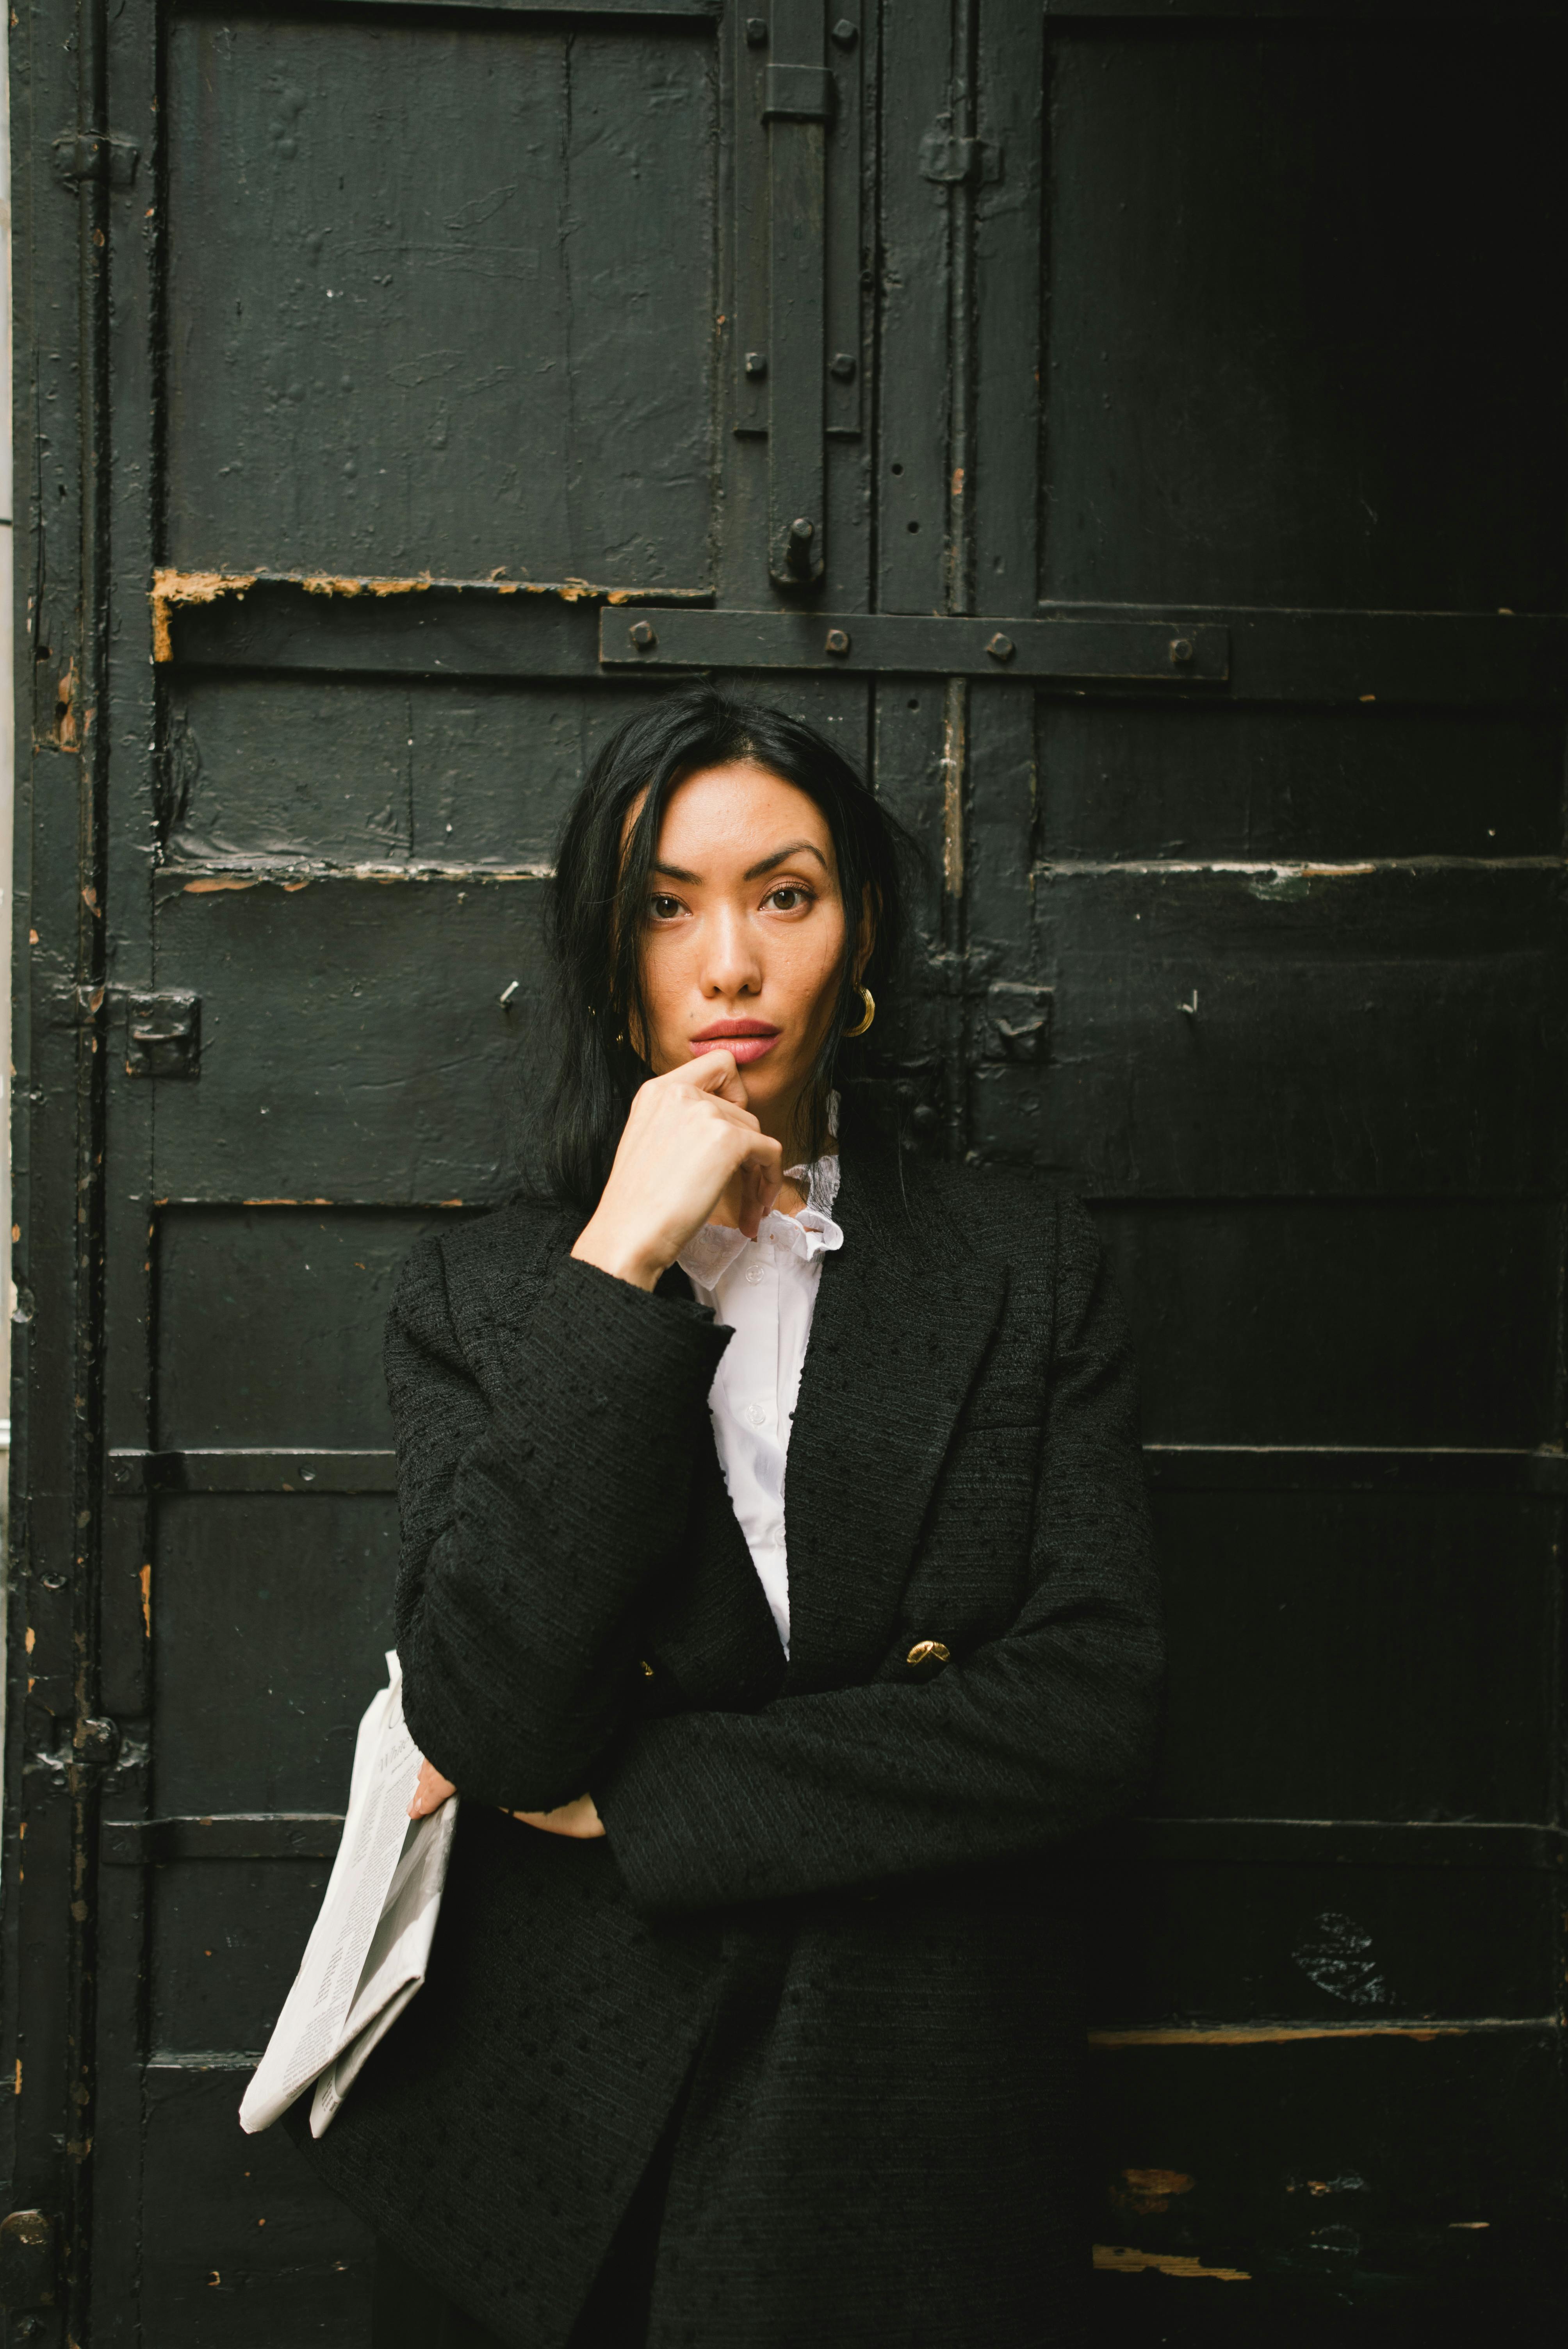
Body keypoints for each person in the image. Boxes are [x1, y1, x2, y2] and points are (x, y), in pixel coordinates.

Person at [286, 688, 1164, 2348]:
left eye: (785, 893)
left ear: (862, 930)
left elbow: (1085, 1706)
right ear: (606, 956)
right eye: (665, 906)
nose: (730, 965)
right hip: (556, 2149)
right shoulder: (486, 1294)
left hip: (900, 2103)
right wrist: (620, 1263)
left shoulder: (1024, 1264)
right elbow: (490, 1719)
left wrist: (651, 1803)